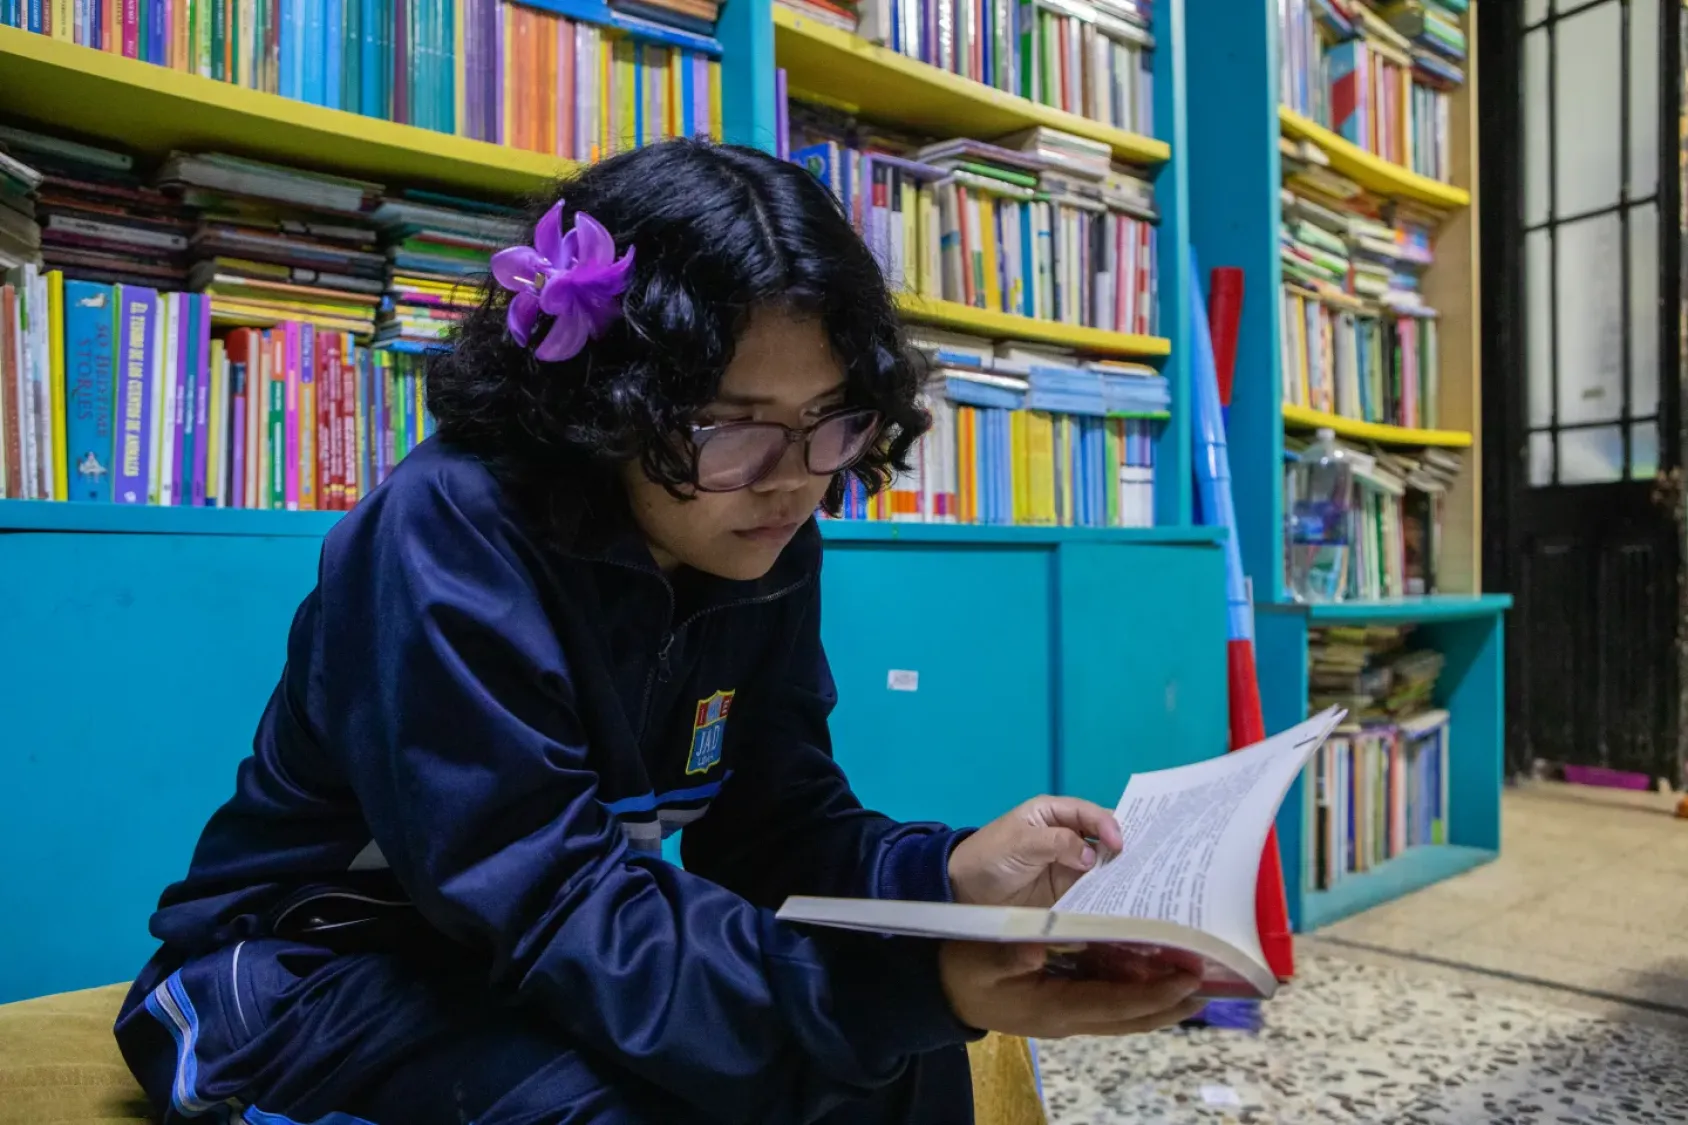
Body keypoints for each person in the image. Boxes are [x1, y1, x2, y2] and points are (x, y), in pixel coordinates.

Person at [114, 139, 1203, 1125]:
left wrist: (952, 875)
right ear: (608, 405)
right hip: (304, 972)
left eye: (830, 419)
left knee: (897, 1062)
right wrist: (912, 985)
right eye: (733, 427)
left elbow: (773, 831)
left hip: (511, 958)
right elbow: (550, 899)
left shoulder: (761, 536)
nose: (794, 480)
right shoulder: (444, 530)